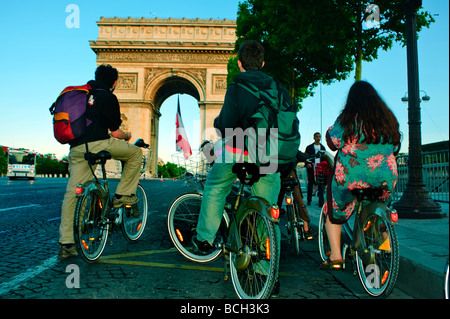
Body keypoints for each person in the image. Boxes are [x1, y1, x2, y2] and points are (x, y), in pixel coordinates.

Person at [194, 40, 289, 252]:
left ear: (239, 63)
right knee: (267, 210)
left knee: (215, 187)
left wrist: (217, 124)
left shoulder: (236, 86)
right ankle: (266, 271)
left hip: (237, 150)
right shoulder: (278, 88)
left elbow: (226, 125)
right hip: (267, 153)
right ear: (263, 63)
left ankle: (205, 238)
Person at [58, 64, 143, 259]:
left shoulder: (81, 94)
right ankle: (123, 195)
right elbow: (115, 132)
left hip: (77, 148)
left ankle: (66, 243)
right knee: (135, 154)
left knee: (73, 193)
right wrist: (127, 135)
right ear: (114, 82)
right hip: (100, 144)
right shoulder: (109, 96)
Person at [320, 80, 401, 270]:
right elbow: (396, 145)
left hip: (352, 177)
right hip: (385, 176)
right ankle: (385, 243)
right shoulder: (388, 119)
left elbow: (333, 142)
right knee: (382, 204)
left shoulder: (347, 118)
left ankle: (336, 257)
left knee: (334, 209)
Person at [277, 151, 314, 239]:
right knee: (299, 201)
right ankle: (306, 228)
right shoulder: (291, 147)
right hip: (290, 176)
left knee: (276, 203)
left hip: (277, 176)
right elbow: (303, 156)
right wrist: (309, 156)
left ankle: (272, 229)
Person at [305, 132, 326, 207]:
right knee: (310, 184)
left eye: (319, 136)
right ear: (314, 138)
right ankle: (309, 200)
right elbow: (306, 157)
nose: (318, 138)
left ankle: (321, 202)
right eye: (317, 136)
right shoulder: (309, 147)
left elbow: (325, 158)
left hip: (320, 168)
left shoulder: (323, 148)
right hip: (311, 168)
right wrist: (308, 163)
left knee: (321, 185)